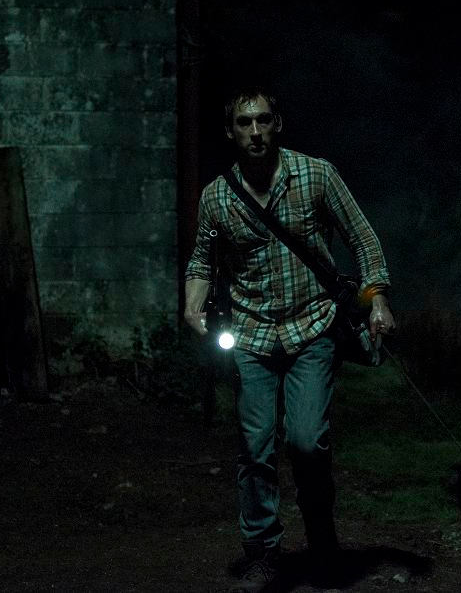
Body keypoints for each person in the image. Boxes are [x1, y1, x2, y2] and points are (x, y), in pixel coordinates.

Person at [183, 87, 396, 592]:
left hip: (312, 327)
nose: (255, 132)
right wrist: (193, 304)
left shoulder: (316, 175)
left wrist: (378, 300)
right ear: (230, 131)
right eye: (244, 123)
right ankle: (262, 553)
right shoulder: (217, 197)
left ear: (277, 123)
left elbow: (362, 238)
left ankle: (322, 543)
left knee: (306, 440)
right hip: (251, 335)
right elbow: (202, 261)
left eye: (263, 120)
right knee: (255, 447)